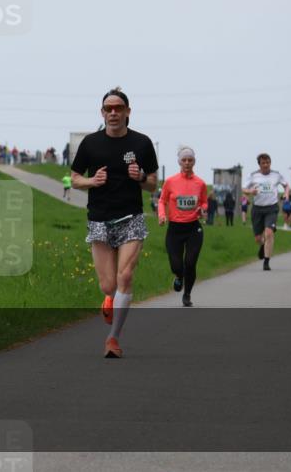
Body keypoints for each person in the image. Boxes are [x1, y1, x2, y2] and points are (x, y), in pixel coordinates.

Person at [70, 87, 158, 359]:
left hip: (130, 217)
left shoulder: (142, 143)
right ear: (102, 113)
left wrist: (141, 176)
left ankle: (113, 339)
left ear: (128, 112)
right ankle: (111, 299)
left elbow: (153, 185)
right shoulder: (90, 143)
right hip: (99, 218)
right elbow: (74, 178)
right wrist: (91, 181)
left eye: (118, 108)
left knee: (125, 277)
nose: (113, 113)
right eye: (108, 108)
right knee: (108, 285)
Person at [157, 146, 208, 306]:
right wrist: (162, 215)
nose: (187, 163)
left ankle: (187, 295)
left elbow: (205, 202)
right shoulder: (171, 182)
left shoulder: (200, 183)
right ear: (179, 162)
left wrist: (203, 209)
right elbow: (161, 201)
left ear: (194, 161)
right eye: (184, 160)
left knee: (191, 263)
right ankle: (179, 277)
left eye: (190, 160)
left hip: (194, 228)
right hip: (175, 229)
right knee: (176, 265)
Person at [242, 153, 290, 271]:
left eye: (267, 162)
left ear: (270, 163)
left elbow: (286, 185)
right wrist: (250, 191)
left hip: (271, 208)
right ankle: (263, 245)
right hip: (257, 208)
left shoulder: (276, 175)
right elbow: (243, 188)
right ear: (259, 164)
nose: (266, 165)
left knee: (269, 233)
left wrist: (286, 194)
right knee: (258, 238)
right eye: (263, 163)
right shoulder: (253, 175)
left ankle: (266, 261)